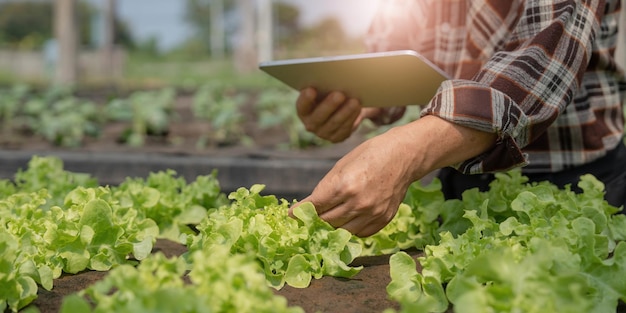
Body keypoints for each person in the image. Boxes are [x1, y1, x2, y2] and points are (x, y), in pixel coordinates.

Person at [289, 0, 626, 237]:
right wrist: (363, 98)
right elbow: (397, 40)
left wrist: (408, 150)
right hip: (457, 178)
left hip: (571, 186)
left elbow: (541, 63)